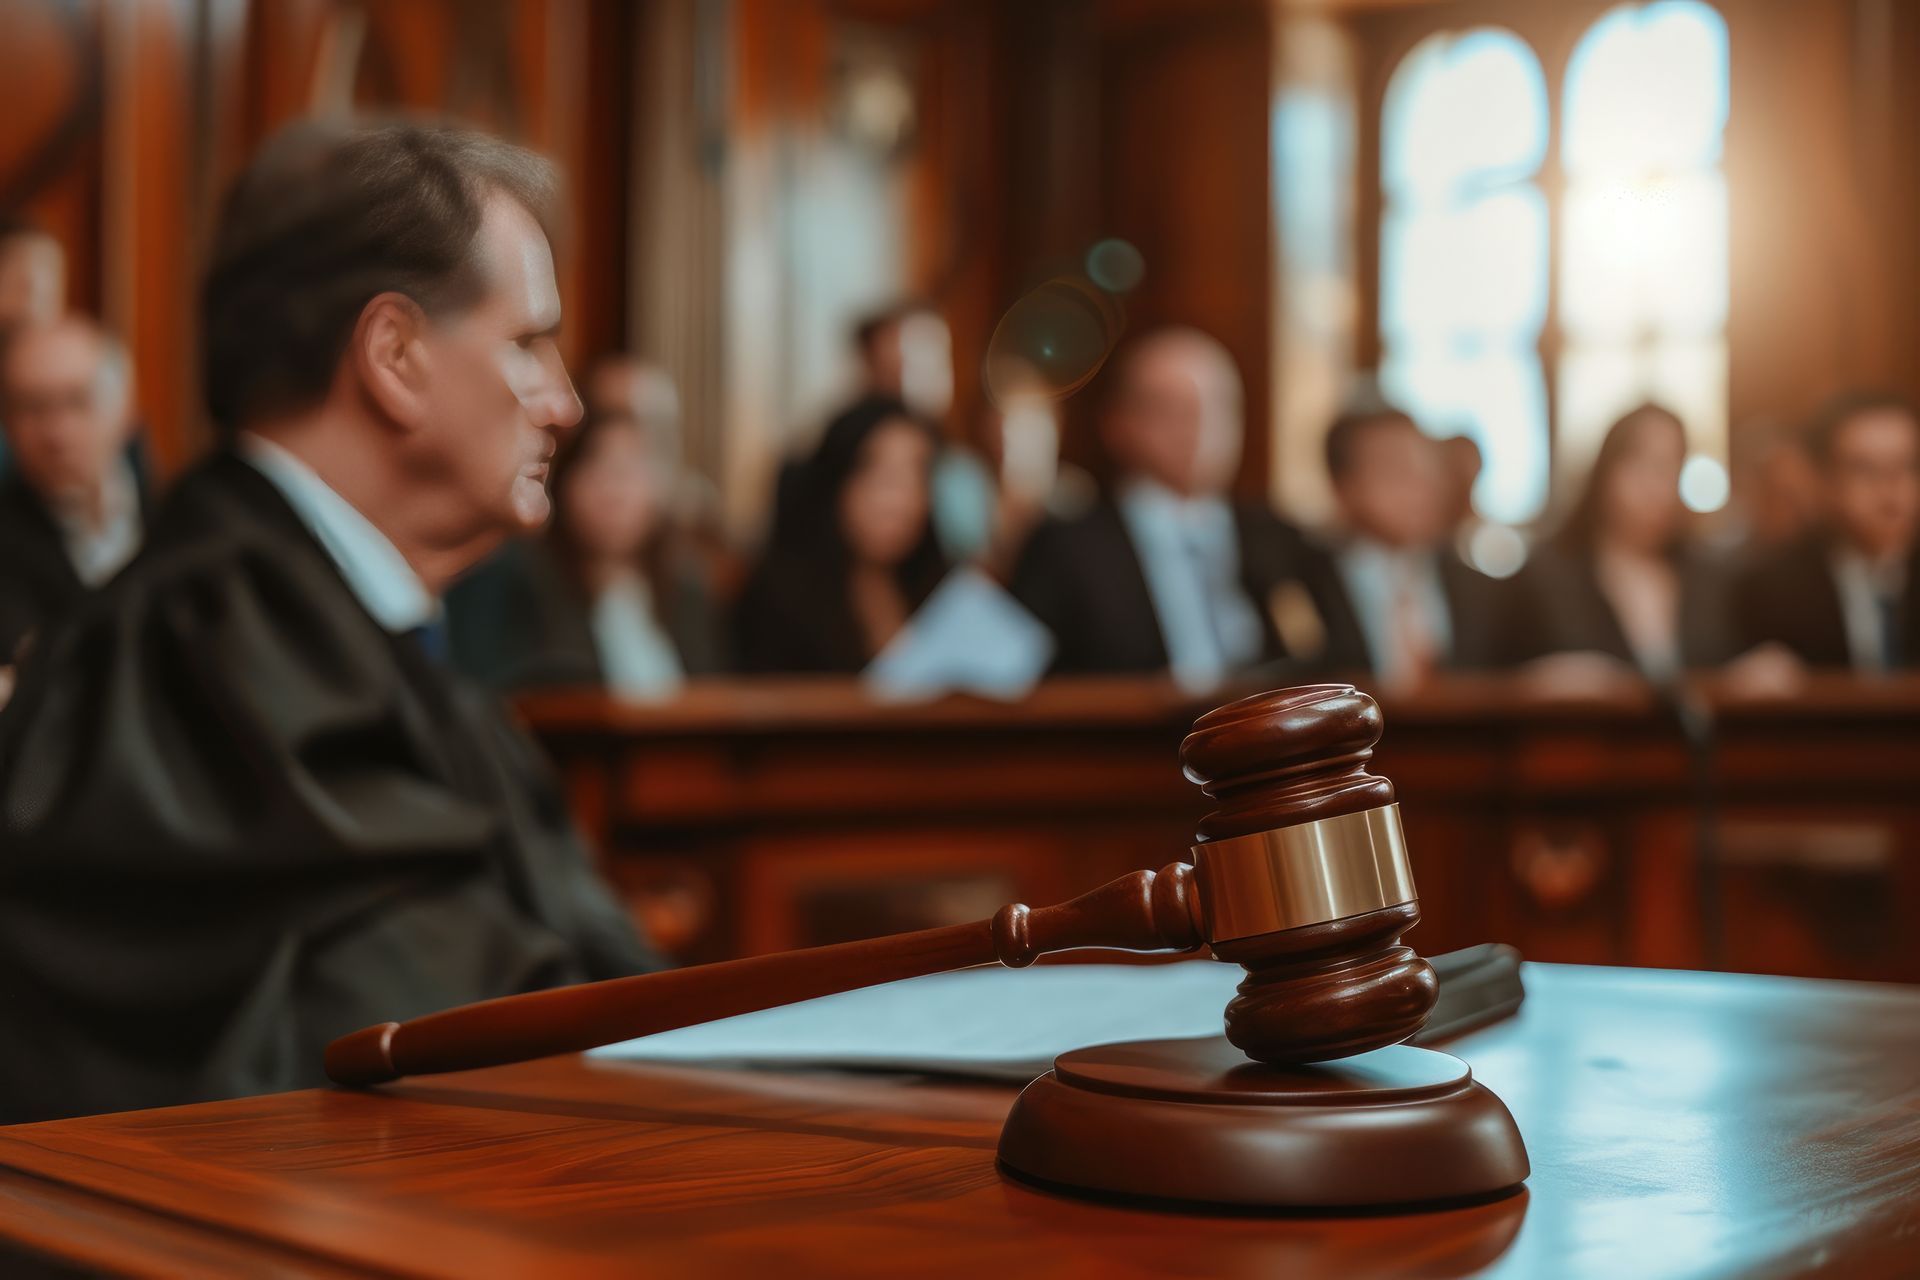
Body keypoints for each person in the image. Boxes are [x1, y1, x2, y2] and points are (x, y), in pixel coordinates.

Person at [0, 120, 659, 1123]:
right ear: (393, 355)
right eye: (528, 342)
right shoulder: (208, 652)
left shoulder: (332, 628)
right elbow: (437, 1036)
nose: (565, 401)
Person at [1010, 327, 1367, 688]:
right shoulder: (1069, 547)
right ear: (1117, 424)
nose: (1200, 427)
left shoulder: (1282, 538)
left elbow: (1345, 662)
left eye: (1218, 406)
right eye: (1172, 409)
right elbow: (997, 680)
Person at [446, 407, 725, 695]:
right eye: (597, 468)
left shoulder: (686, 587)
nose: (614, 491)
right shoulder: (526, 580)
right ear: (565, 483)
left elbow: (713, 695)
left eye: (629, 471)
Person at [1506, 404, 1734, 683]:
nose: (1657, 487)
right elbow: (1497, 678)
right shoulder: (1546, 577)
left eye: (1671, 468)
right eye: (1644, 465)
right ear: (1605, 470)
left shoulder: (1711, 578)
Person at [733, 395, 950, 672]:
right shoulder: (780, 598)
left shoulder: (939, 591)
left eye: (917, 476)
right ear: (838, 482)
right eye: (883, 477)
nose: (902, 501)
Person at [1734, 392, 1920, 671]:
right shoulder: (1773, 590)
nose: (1891, 490)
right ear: (1825, 480)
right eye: (1865, 469)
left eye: (1907, 466)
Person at [1321, 405, 1505, 686]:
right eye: (1395, 468)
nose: (1419, 483)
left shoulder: (1473, 584)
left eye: (1426, 465)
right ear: (1343, 486)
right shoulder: (1307, 584)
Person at [0, 315, 143, 660]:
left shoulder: (178, 516)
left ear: (125, 408)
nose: (57, 433)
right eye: (33, 408)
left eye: (78, 401)